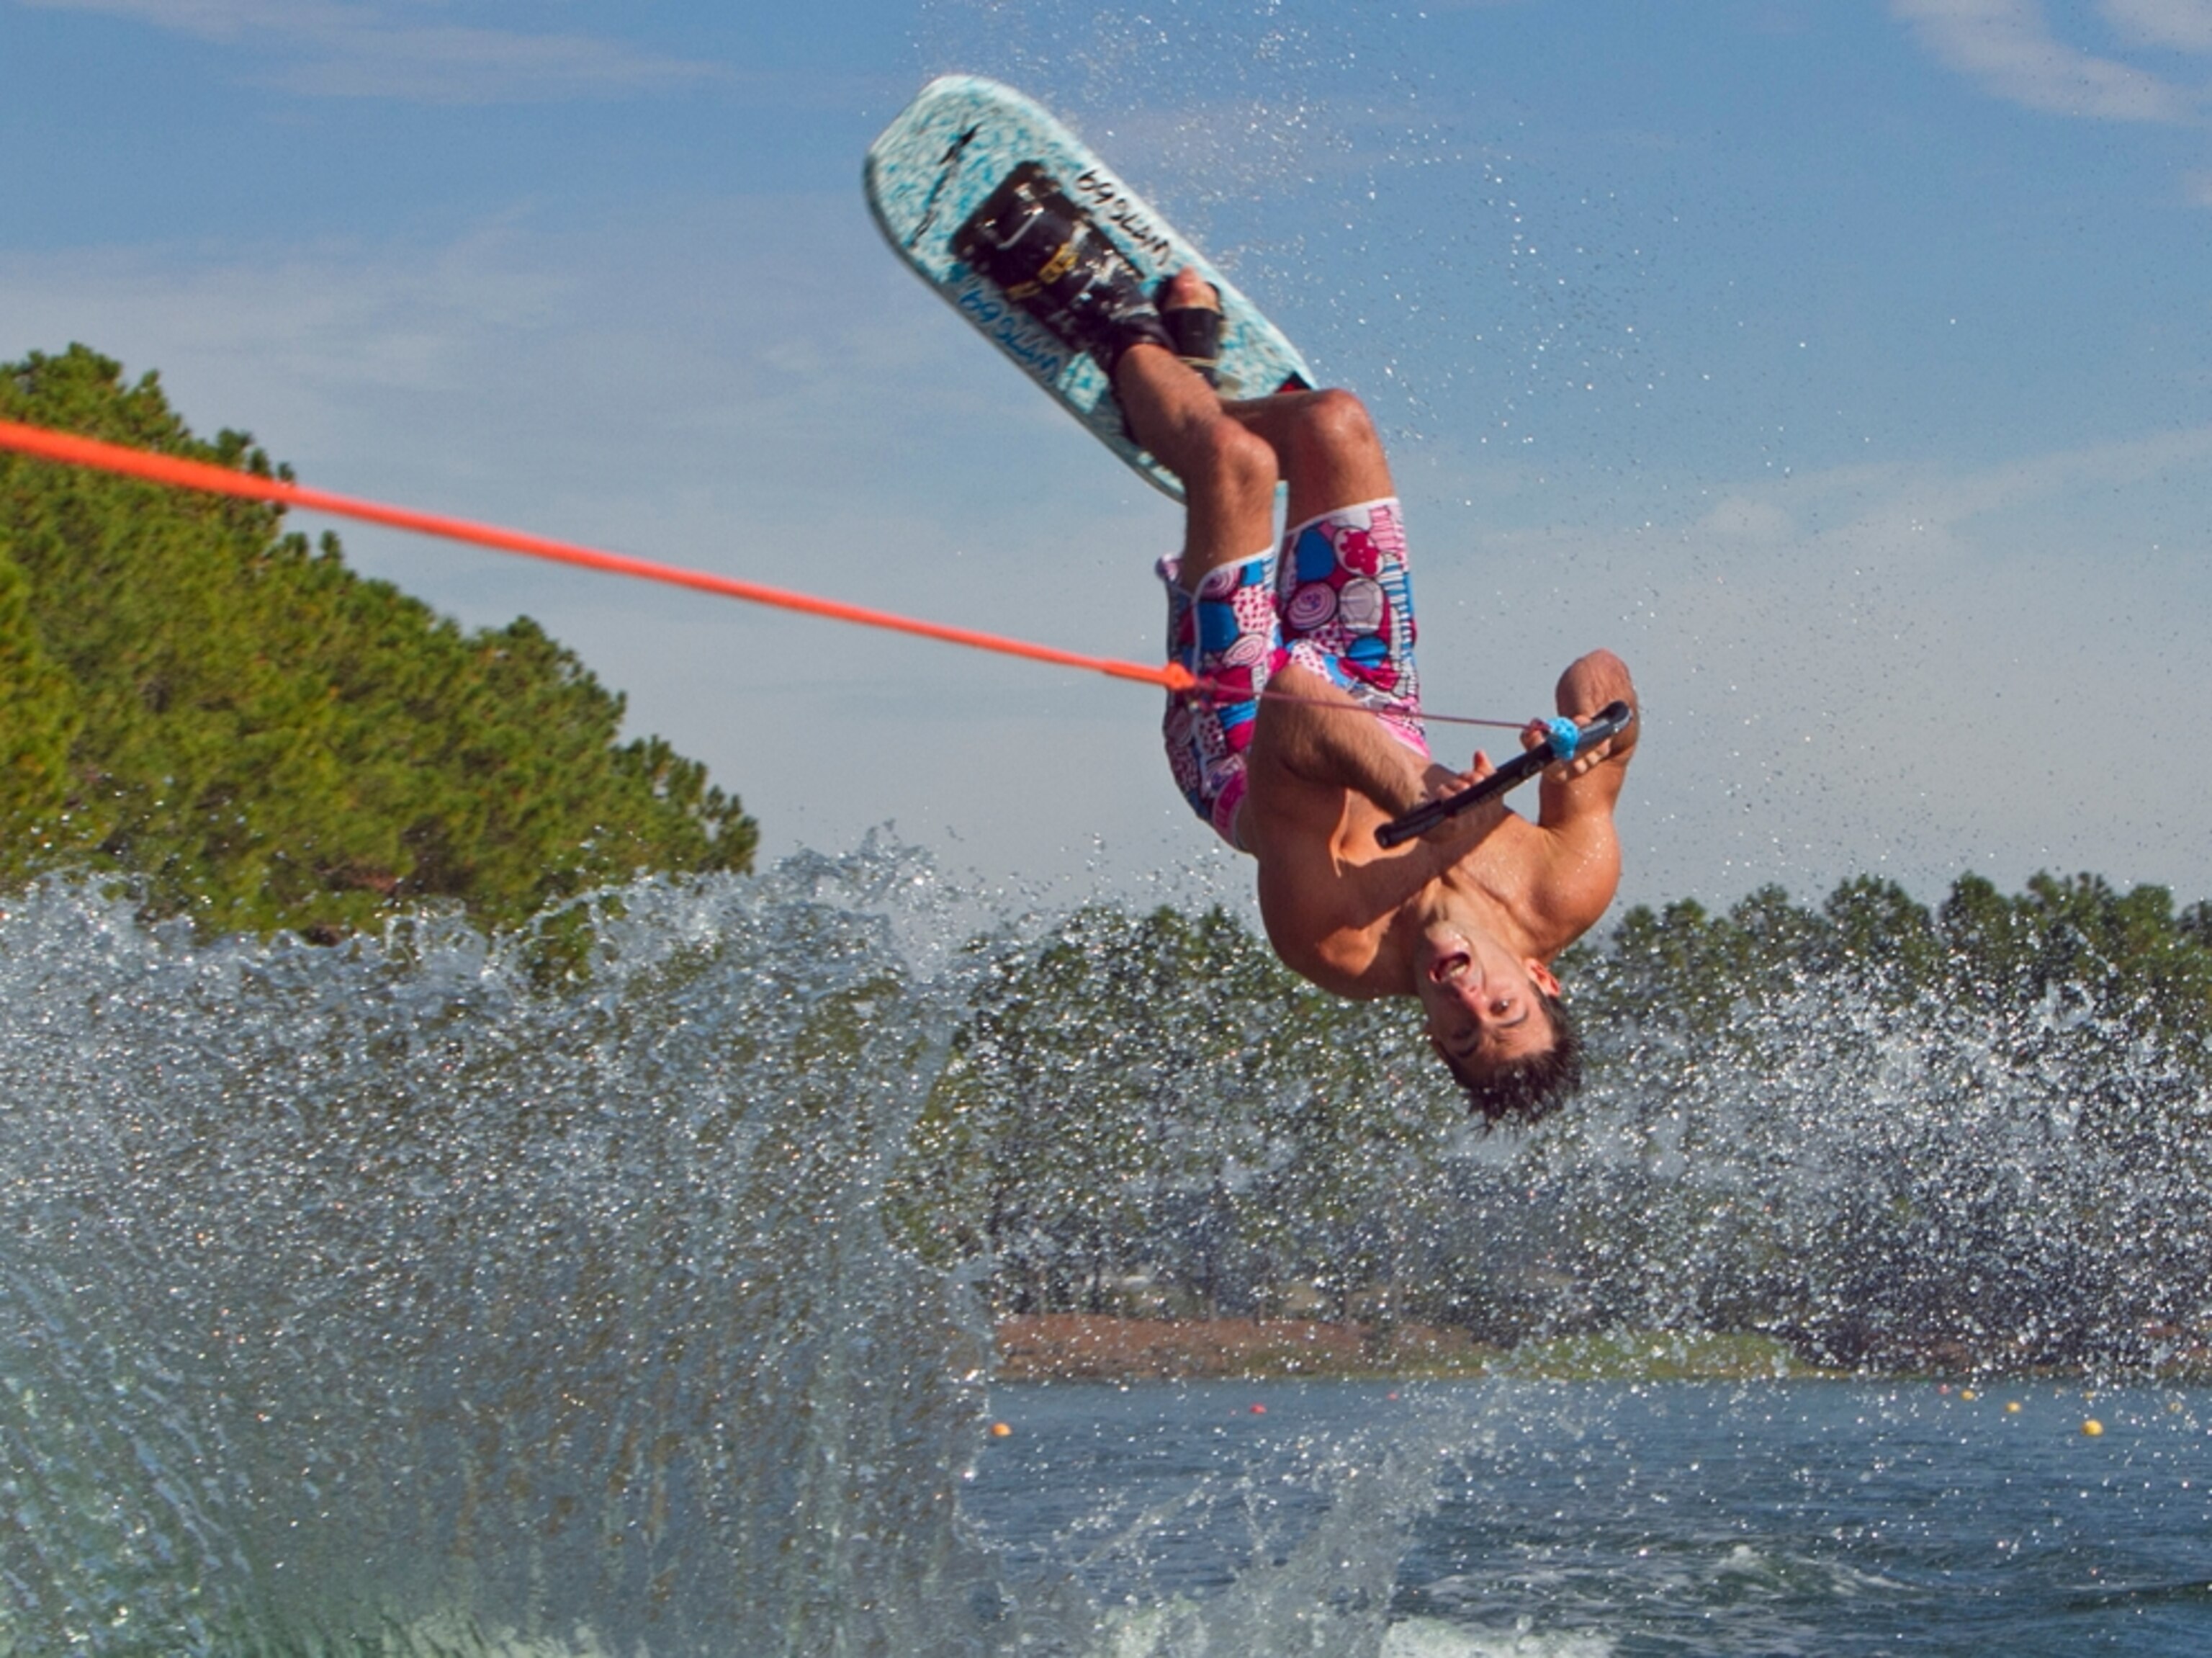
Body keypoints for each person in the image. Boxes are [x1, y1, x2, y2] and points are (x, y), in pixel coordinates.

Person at [959, 176, 1639, 1122]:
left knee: (1235, 469)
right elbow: (1601, 673)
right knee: (1333, 422)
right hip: (1378, 699)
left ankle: (1122, 336)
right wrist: (1595, 727)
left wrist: (1419, 797)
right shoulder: (1569, 883)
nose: (1466, 999)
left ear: (1430, 1036)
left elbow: (1292, 702)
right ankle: (1190, 401)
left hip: (1243, 740)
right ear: (1541, 978)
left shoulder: (1334, 943)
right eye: (1503, 1009)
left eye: (1458, 1033)